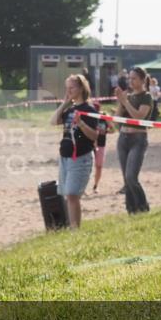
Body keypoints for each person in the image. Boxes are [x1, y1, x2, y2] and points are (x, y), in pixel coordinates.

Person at [52, 74, 99, 227]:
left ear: (81, 88)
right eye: (67, 88)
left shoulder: (88, 109)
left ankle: (75, 229)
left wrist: (81, 124)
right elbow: (53, 121)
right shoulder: (69, 109)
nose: (69, 90)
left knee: (72, 194)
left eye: (72, 87)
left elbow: (94, 136)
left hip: (80, 156)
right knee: (68, 195)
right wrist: (65, 103)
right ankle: (72, 226)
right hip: (65, 156)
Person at [113, 67, 152, 214]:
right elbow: (117, 119)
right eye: (129, 78)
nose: (131, 81)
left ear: (142, 80)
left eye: (134, 78)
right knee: (126, 178)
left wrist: (126, 102)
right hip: (123, 138)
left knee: (131, 177)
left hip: (138, 138)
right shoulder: (127, 97)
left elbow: (139, 117)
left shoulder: (146, 96)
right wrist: (121, 102)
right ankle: (131, 209)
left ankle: (143, 206)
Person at [90, 100, 109, 194]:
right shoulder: (87, 117)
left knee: (99, 166)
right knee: (87, 167)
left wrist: (108, 123)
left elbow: (112, 130)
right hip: (89, 145)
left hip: (101, 144)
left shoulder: (103, 118)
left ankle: (95, 186)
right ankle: (83, 187)